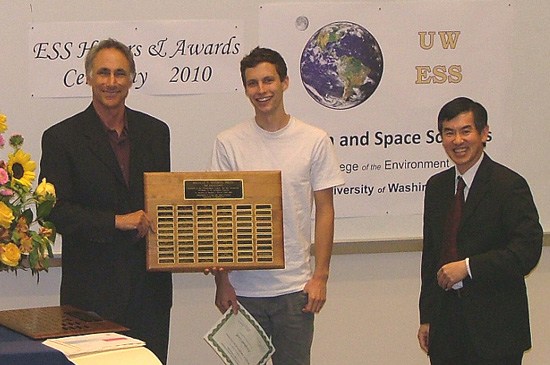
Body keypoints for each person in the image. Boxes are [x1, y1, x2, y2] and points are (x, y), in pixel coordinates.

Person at [39, 38, 172, 364]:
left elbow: (163, 203)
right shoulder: (60, 138)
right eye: (103, 73)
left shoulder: (157, 132)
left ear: (131, 79)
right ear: (88, 77)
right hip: (90, 295)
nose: (111, 82)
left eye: (120, 74)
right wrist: (116, 221)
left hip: (149, 294)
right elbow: (55, 212)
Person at [208, 47, 344, 364]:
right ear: (245, 89)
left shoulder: (314, 140)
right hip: (242, 293)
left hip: (295, 290)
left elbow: (325, 210)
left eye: (268, 80)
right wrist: (222, 280)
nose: (261, 90)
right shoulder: (228, 143)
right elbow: (218, 217)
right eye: (253, 83)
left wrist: (320, 276)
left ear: (284, 82)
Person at [417, 97, 543, 364]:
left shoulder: (509, 185)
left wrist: (469, 267)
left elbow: (526, 251)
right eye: (449, 133)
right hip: (446, 328)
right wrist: (427, 317)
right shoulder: (437, 187)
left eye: (466, 131)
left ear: (484, 133)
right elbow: (431, 257)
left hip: (495, 330)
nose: (457, 141)